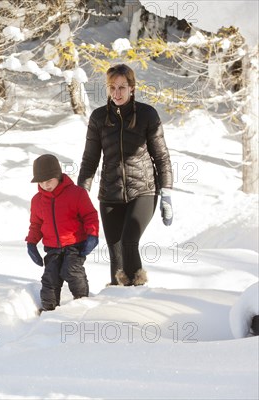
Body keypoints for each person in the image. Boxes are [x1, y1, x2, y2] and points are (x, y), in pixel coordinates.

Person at [77, 63, 173, 286]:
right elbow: (90, 159)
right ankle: (117, 300)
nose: (117, 93)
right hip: (110, 193)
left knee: (129, 241)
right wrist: (80, 193)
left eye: (122, 87)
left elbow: (162, 157)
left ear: (132, 88)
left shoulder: (148, 115)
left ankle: (137, 292)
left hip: (143, 190)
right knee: (116, 251)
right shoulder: (99, 118)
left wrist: (166, 192)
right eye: (112, 87)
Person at [25, 154, 99, 311]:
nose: (45, 185)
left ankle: (83, 303)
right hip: (52, 248)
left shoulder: (76, 193)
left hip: (75, 245)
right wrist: (31, 242)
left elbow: (90, 216)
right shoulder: (37, 200)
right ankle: (49, 310)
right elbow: (36, 224)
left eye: (49, 180)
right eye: (41, 181)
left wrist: (92, 235)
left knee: (71, 270)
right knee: (50, 278)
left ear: (58, 175)